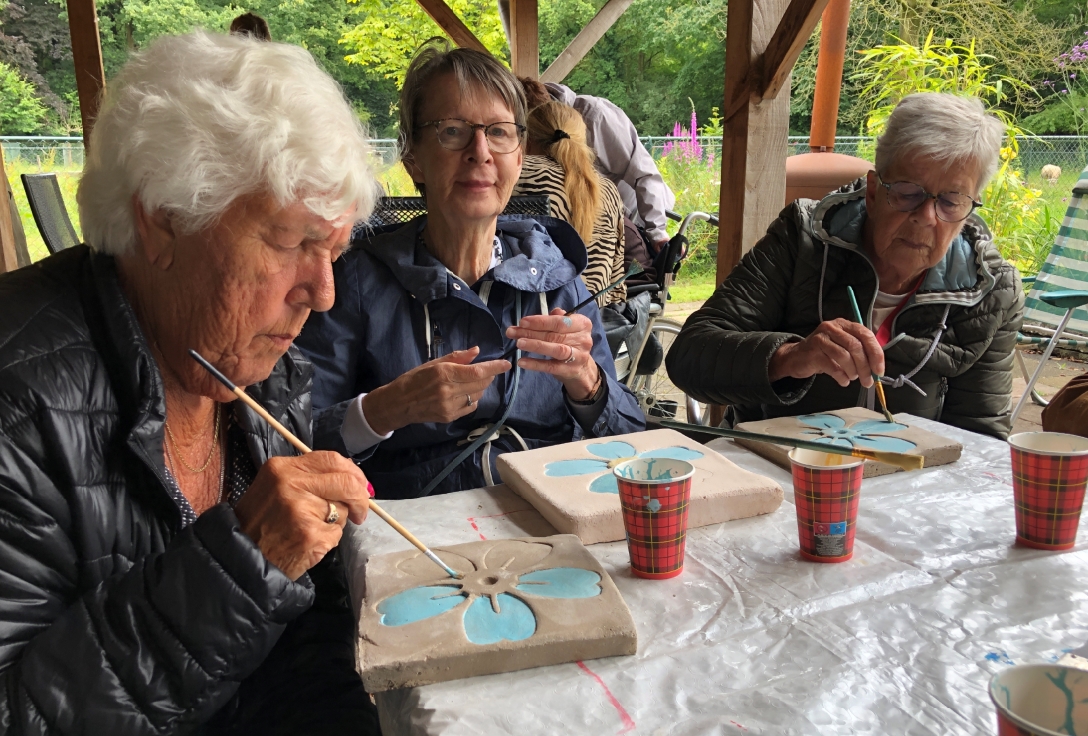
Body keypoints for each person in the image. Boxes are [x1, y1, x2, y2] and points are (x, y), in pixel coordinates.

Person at [0, 31, 382, 734]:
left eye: (334, 251)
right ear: (164, 221)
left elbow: (307, 645)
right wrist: (240, 569)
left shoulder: (263, 376)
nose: (323, 294)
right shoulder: (16, 408)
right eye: (294, 240)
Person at [295, 40, 645, 499]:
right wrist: (384, 409)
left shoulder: (560, 279)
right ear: (413, 159)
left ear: (519, 158)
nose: (480, 151)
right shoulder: (356, 282)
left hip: (549, 516)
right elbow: (290, 440)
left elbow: (630, 438)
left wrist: (589, 384)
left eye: (499, 132)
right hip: (415, 532)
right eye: (452, 130)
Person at [667, 93, 1024, 439]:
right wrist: (790, 357)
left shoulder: (990, 290)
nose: (926, 217)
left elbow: (979, 437)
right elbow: (690, 356)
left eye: (950, 200)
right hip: (778, 470)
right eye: (907, 191)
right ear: (872, 191)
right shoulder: (803, 238)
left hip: (904, 486)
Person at [512, 99, 626, 307]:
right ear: (582, 140)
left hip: (527, 323)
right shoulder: (608, 189)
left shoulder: (517, 173)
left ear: (526, 139)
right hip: (591, 327)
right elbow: (617, 281)